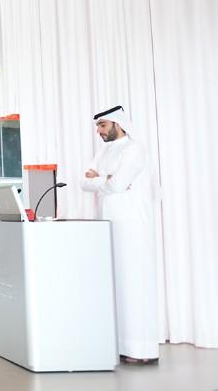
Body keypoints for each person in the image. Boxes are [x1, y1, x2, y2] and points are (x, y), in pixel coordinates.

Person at [82, 105, 159, 365]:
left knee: (135, 283)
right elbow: (85, 183)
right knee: (115, 283)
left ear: (118, 124)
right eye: (97, 126)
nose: (99, 131)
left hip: (133, 226)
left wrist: (102, 180)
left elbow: (116, 183)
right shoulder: (103, 152)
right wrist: (107, 180)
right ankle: (120, 345)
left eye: (102, 125)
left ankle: (142, 350)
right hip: (109, 223)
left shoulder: (134, 149)